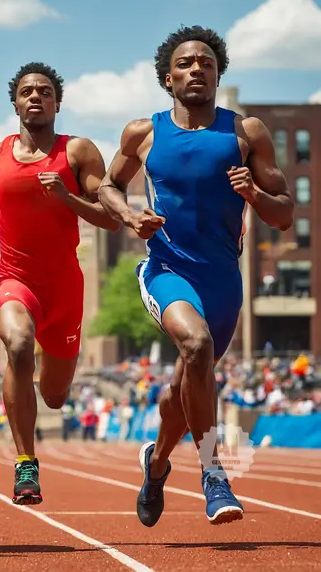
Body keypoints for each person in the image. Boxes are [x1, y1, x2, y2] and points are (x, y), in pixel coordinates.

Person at [98, 26, 293, 526]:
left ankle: (156, 463)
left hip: (223, 279)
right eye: (185, 63)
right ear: (169, 78)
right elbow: (107, 186)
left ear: (217, 72)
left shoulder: (245, 133)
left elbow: (285, 213)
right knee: (197, 345)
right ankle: (213, 473)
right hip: (166, 267)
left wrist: (254, 195)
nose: (196, 69)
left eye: (206, 62)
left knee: (180, 395)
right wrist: (129, 216)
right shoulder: (144, 133)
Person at [0, 62, 118, 505]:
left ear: (58, 102)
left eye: (44, 91)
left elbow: (111, 220)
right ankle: (25, 464)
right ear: (15, 102)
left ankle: (40, 397)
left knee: (55, 397)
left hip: (64, 291)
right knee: (18, 345)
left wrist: (67, 197)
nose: (35, 96)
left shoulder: (77, 153)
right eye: (26, 91)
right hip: (15, 280)